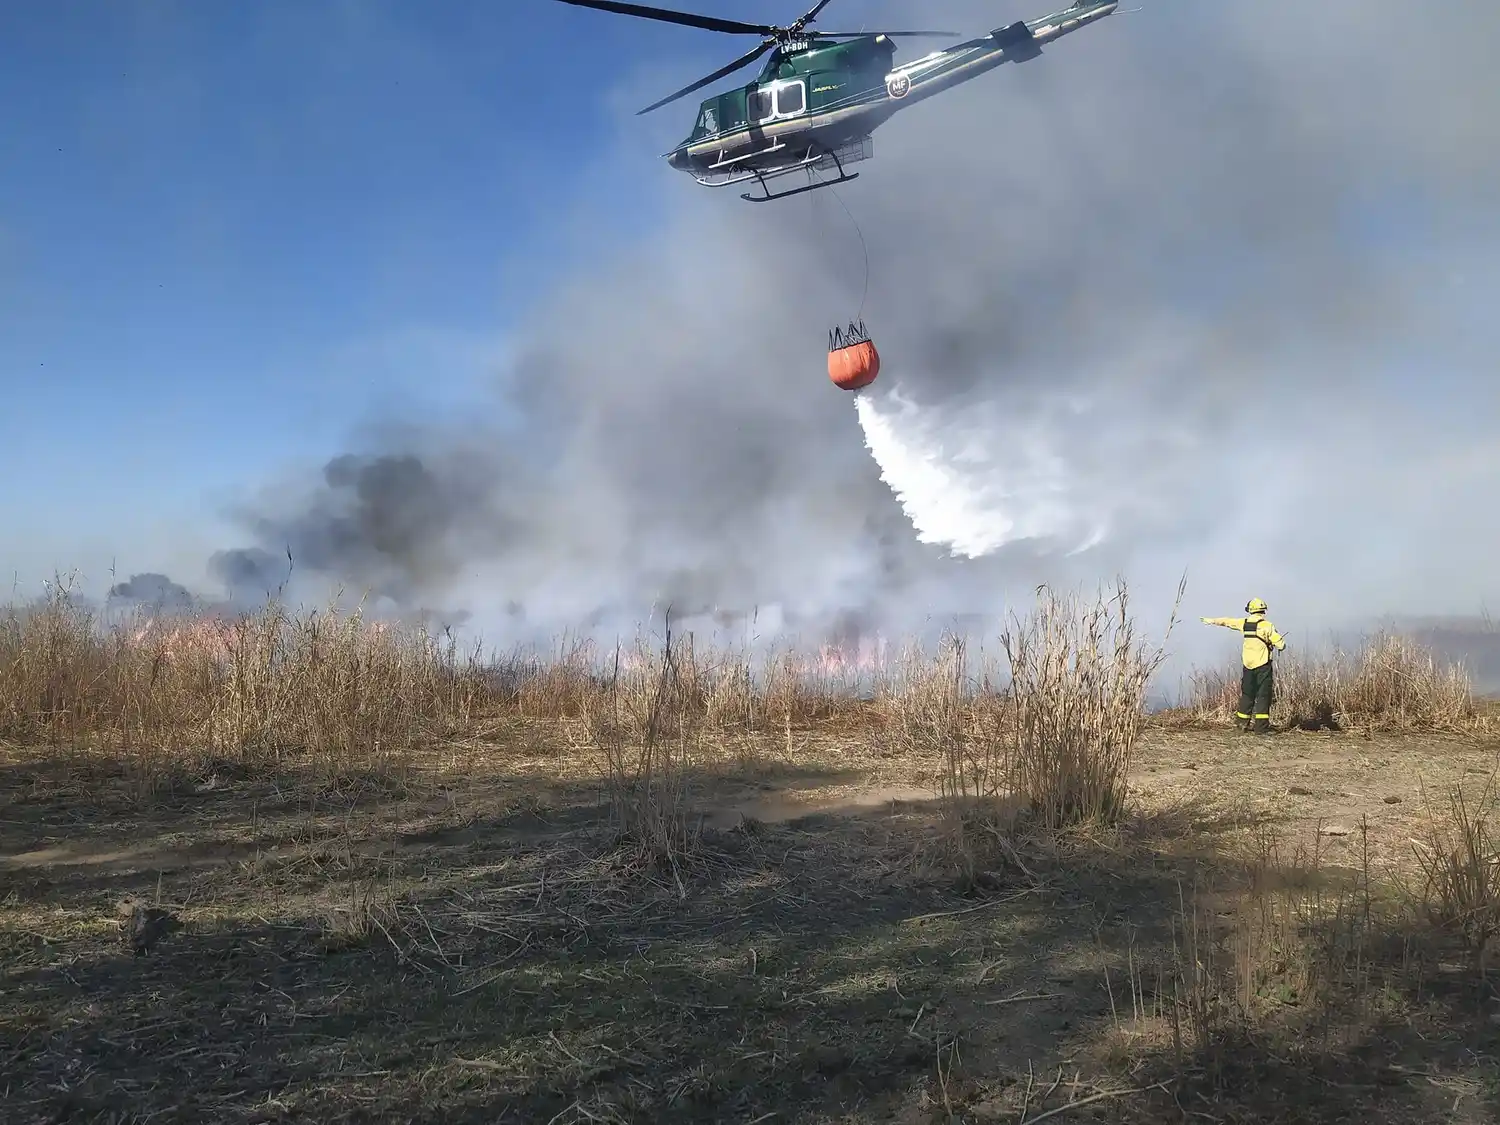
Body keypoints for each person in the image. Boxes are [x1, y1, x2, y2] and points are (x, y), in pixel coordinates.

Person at [1201, 598, 1287, 733]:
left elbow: (1227, 621)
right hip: (1263, 666)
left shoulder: (1244, 623)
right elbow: (1281, 645)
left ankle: (1241, 725)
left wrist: (1211, 620)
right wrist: (1276, 643)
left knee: (1247, 694)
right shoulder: (1267, 625)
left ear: (1250, 610)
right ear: (1263, 610)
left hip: (1248, 666)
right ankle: (1261, 728)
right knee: (1263, 696)